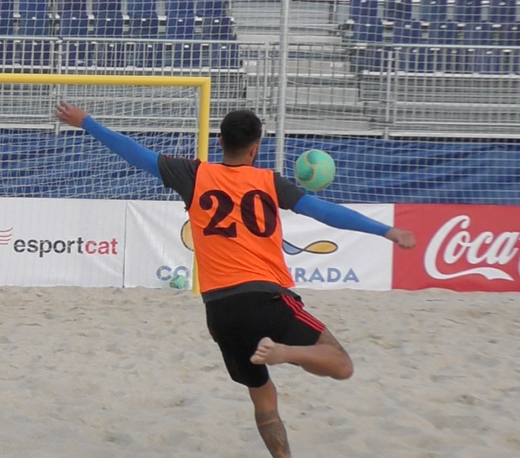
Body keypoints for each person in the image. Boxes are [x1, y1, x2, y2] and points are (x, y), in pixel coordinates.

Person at [55, 103, 416, 458]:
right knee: (341, 363)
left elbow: (134, 153)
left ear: (220, 142)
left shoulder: (194, 175)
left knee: (262, 397)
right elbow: (327, 213)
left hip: (220, 311)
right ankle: (285, 353)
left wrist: (86, 121)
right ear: (255, 148)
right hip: (267, 299)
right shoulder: (269, 182)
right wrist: (386, 230)